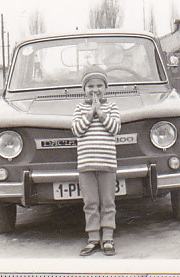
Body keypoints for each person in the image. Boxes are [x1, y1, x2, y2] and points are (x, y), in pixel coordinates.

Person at [71, 67, 121, 256]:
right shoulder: (79, 108)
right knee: (90, 202)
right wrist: (91, 113)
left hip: (107, 163)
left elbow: (115, 128)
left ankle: (108, 238)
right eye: (90, 86)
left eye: (99, 85)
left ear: (106, 87)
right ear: (84, 88)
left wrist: (100, 113)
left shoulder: (112, 107)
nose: (95, 89)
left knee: (108, 202)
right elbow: (77, 130)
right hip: (86, 164)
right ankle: (93, 239)